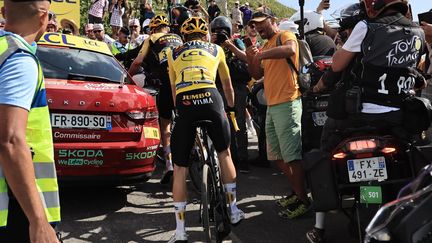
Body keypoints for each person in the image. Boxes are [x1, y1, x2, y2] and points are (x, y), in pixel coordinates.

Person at [306, 1, 426, 242]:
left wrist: (320, 84)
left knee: (324, 152)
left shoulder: (366, 27)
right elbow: (417, 74)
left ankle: (319, 227)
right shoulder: (418, 32)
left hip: (358, 115)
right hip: (398, 116)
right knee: (413, 155)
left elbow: (338, 64)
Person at [166, 17, 244, 242]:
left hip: (185, 102)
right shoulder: (217, 49)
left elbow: (174, 92)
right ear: (206, 35)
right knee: (224, 152)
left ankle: (180, 231)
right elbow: (227, 85)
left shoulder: (173, 52)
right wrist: (229, 108)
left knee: (180, 168)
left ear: (184, 36)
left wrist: (180, 113)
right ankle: (234, 210)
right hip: (211, 98)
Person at [0, 0, 61, 242]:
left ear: (4, 12)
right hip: (14, 206)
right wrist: (39, 221)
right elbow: (11, 141)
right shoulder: (19, 60)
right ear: (43, 17)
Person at [246, 10, 310, 219]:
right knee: (278, 156)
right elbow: (256, 75)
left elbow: (290, 50)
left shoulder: (284, 36)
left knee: (292, 156)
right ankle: (296, 192)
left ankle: (304, 201)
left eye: (260, 22)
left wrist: (261, 54)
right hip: (273, 106)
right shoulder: (264, 45)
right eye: (255, 25)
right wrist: (250, 55)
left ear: (272, 20)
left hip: (288, 102)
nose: (257, 27)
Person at [128, 15, 183, 184]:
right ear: (167, 27)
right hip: (184, 79)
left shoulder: (151, 38)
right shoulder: (178, 37)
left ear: (152, 29)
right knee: (185, 118)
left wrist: (128, 77)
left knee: (165, 124)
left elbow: (137, 61)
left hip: (167, 82)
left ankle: (169, 165)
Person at [211, 16, 250, 173]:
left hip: (238, 88)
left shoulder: (236, 41)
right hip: (219, 87)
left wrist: (230, 45)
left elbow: (247, 57)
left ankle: (243, 158)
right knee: (223, 124)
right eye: (216, 31)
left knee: (239, 123)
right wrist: (212, 43)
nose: (219, 33)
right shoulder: (210, 46)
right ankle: (230, 158)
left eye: (222, 31)